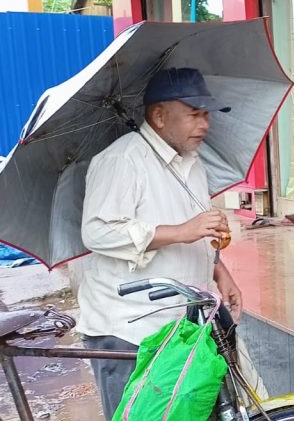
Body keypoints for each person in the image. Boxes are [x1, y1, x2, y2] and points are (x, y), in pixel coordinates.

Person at [77, 68, 245, 418]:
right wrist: (183, 230)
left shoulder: (191, 162)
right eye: (194, 114)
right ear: (159, 116)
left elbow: (194, 226)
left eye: (206, 115)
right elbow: (97, 231)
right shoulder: (122, 160)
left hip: (182, 325)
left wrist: (218, 269)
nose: (204, 125)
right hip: (130, 329)